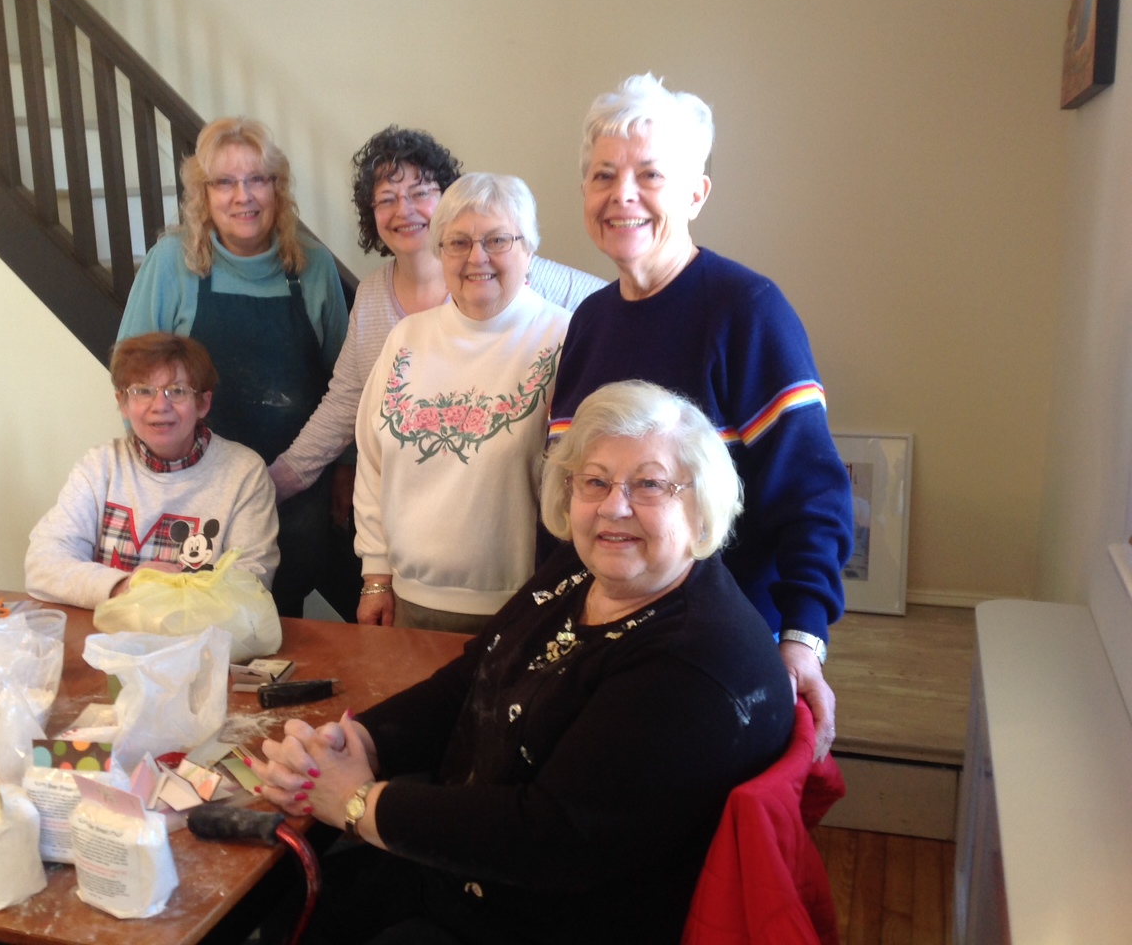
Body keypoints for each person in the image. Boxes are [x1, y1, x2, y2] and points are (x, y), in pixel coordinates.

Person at [249, 380, 796, 945]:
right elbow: (473, 677)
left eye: (650, 484)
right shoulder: (583, 570)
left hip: (542, 918)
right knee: (282, 904)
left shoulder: (693, 664)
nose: (614, 506)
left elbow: (552, 837)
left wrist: (359, 801)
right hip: (463, 876)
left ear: (701, 502)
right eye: (595, 481)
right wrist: (361, 743)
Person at [546, 73, 853, 759]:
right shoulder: (590, 321)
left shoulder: (748, 312)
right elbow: (574, 496)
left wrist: (804, 637)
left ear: (695, 193)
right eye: (603, 175)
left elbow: (814, 497)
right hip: (608, 650)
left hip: (718, 658)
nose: (622, 194)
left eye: (649, 174)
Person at [268, 125, 606, 509]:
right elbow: (346, 403)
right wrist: (277, 481)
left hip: (508, 516)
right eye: (386, 199)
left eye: (420, 193)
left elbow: (610, 309)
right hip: (405, 517)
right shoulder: (372, 295)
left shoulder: (510, 271)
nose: (404, 211)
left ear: (449, 200)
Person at [116, 116, 347, 618]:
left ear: (277, 188)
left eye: (257, 179)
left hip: (296, 491)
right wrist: (150, 482)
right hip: (193, 496)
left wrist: (346, 473)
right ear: (205, 194)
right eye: (224, 182)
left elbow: (348, 388)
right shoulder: (170, 263)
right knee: (187, 623)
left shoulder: (313, 268)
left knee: (274, 628)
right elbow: (133, 378)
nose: (243, 196)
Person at [353, 172, 571, 633]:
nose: (477, 257)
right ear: (440, 252)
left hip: (520, 611)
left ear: (528, 249)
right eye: (458, 242)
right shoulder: (406, 339)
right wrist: (376, 576)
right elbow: (372, 463)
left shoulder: (563, 337)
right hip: (406, 603)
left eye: (497, 240)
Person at [25, 332, 278, 608]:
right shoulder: (100, 466)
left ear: (203, 403)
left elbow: (252, 584)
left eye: (177, 391)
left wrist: (165, 593)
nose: (160, 406)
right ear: (123, 403)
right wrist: (128, 585)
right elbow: (43, 562)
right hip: (108, 641)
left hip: (198, 642)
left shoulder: (244, 473)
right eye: (143, 391)